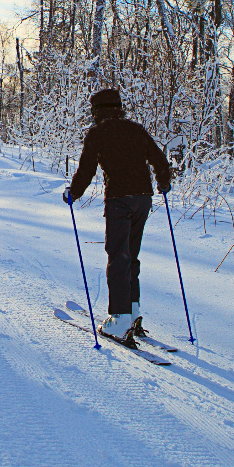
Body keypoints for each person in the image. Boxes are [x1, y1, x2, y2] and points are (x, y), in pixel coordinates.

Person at [63, 88, 172, 343]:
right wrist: (163, 183)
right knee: (131, 254)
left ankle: (120, 319)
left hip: (119, 200)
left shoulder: (97, 133)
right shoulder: (136, 129)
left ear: (97, 111)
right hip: (143, 198)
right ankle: (133, 313)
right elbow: (159, 160)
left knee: (118, 256)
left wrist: (73, 193)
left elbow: (87, 169)